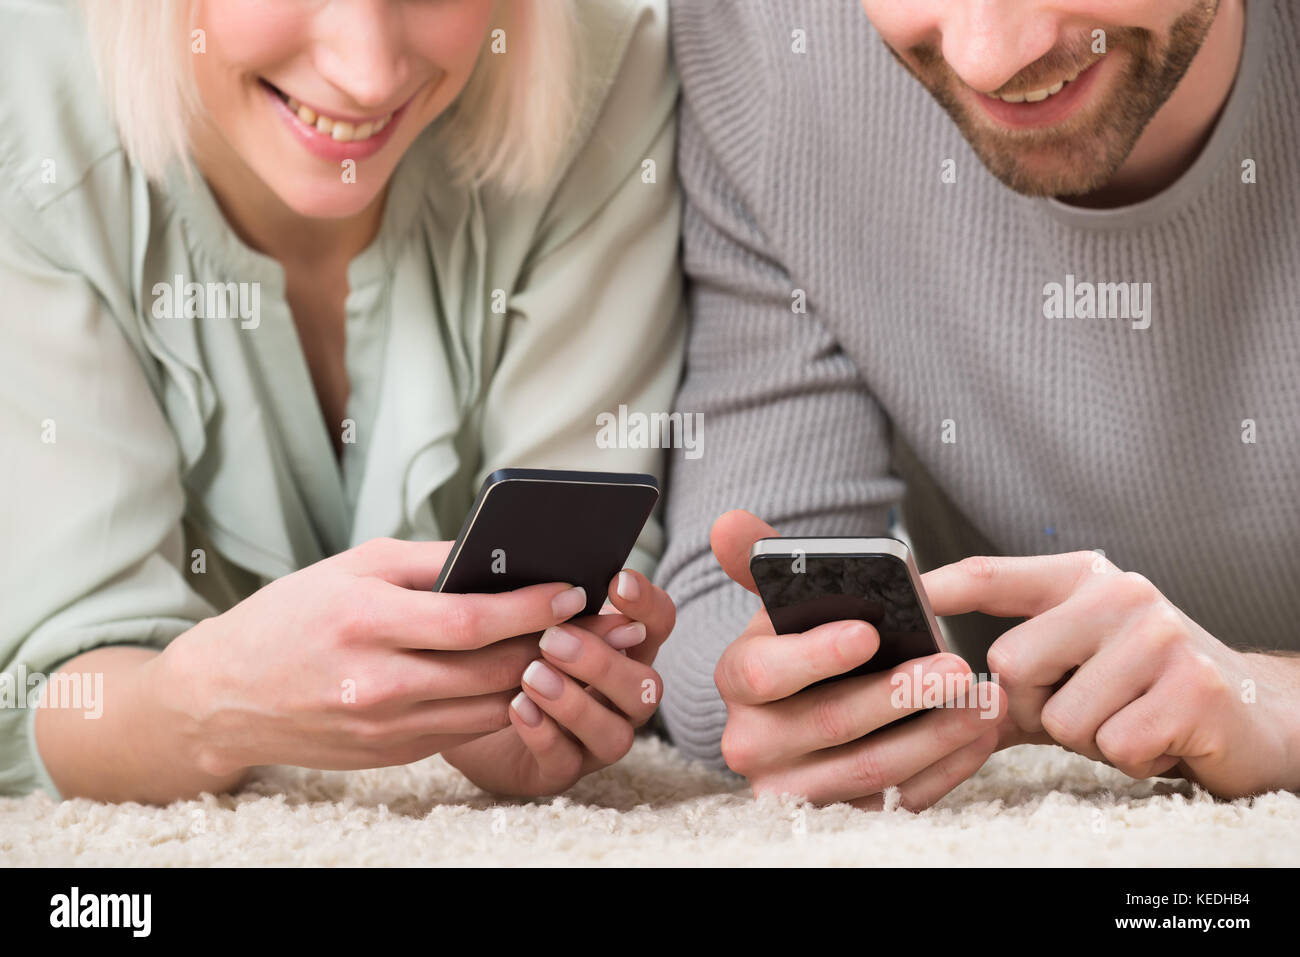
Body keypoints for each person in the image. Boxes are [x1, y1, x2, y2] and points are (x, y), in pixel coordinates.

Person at [0, 0, 683, 803]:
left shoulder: (604, 67)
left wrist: (545, 691)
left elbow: (591, 570)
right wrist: (208, 705)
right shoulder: (28, 107)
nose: (367, 75)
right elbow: (47, 686)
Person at [657, 0, 1300, 808]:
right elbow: (728, 617)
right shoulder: (762, 32)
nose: (988, 58)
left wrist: (1275, 703)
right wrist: (803, 698)